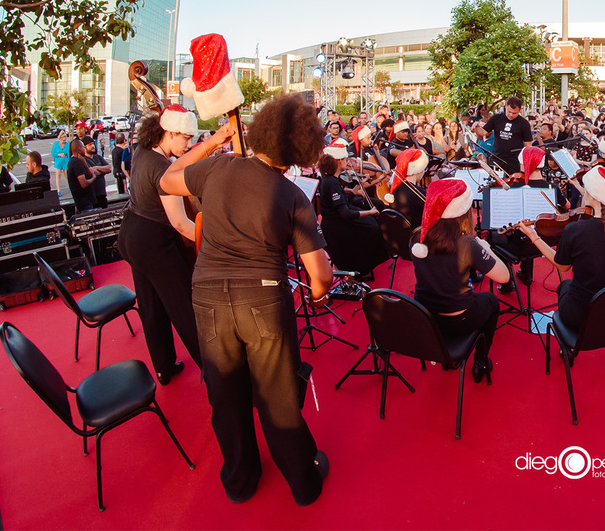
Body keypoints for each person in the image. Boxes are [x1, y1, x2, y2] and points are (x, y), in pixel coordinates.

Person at [159, 95, 332, 506]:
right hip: (264, 299)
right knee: (278, 394)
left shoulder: (218, 167)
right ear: (299, 150)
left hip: (207, 297)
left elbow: (166, 181)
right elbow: (320, 277)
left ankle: (240, 479)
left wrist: (212, 143)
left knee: (225, 393)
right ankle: (303, 482)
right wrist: (321, 294)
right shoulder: (293, 197)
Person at [116, 106, 215, 387]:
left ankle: (164, 366)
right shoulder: (162, 170)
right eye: (184, 139)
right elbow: (182, 224)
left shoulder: (142, 152)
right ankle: (215, 374)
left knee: (151, 305)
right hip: (153, 243)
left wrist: (210, 145)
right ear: (169, 133)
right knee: (184, 306)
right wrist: (214, 246)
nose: (186, 146)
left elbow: (180, 165)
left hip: (131, 234)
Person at [518, 164, 605, 369]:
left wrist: (534, 237)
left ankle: (567, 346)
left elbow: (562, 267)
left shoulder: (575, 230)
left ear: (593, 196)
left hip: (583, 315)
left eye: (586, 190)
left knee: (564, 287)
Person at [410, 179, 511, 382]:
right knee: (491, 301)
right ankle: (481, 360)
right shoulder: (466, 244)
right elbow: (504, 276)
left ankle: (448, 360)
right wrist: (486, 249)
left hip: (425, 317)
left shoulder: (416, 238)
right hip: (458, 319)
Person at [316, 147, 386, 280]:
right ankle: (359, 270)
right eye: (344, 159)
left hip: (335, 221)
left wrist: (354, 191)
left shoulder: (330, 180)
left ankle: (361, 267)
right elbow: (346, 213)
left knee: (370, 225)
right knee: (372, 228)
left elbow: (341, 203)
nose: (347, 162)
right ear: (338, 162)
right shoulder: (332, 182)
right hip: (336, 226)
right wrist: (369, 212)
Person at [484, 96, 533, 175]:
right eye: (509, 111)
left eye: (514, 113)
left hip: (515, 161)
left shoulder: (524, 123)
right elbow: (483, 132)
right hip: (497, 159)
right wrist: (476, 126)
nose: (511, 115)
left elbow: (528, 144)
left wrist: (525, 163)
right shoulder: (496, 118)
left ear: (519, 110)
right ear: (505, 107)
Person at [66, 139, 112, 213]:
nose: (84, 149)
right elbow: (84, 183)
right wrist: (93, 178)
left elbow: (108, 168)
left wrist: (86, 163)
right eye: (83, 147)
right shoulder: (76, 162)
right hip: (84, 201)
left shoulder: (83, 160)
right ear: (79, 148)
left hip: (95, 197)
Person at [386, 147, 428, 227]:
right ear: (418, 170)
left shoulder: (395, 188)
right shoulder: (419, 194)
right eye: (424, 169)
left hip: (399, 231)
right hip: (415, 233)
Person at [51, 130, 70, 195]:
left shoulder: (67, 144)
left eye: (65, 140)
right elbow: (53, 153)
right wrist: (59, 154)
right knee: (58, 175)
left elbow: (69, 154)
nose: (64, 142)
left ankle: (70, 187)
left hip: (65, 162)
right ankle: (58, 190)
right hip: (58, 162)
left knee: (67, 175)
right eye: (63, 140)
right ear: (60, 139)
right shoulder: (56, 144)